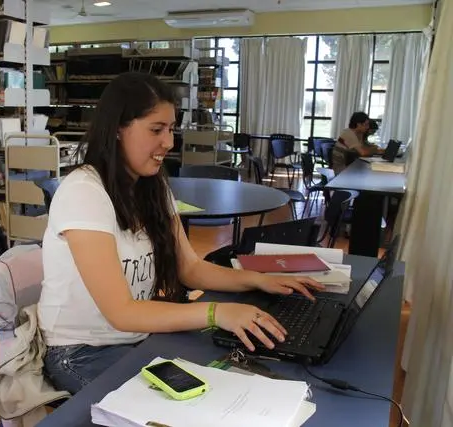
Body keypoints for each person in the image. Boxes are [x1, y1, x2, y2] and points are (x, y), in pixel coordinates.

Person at [37, 72, 324, 394]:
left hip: (138, 338)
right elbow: (121, 313)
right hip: (80, 352)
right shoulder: (84, 192)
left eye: (171, 129)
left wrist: (259, 280)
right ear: (117, 129)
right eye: (156, 129)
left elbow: (190, 268)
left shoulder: (152, 187)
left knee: (233, 382)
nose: (169, 142)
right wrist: (218, 312)